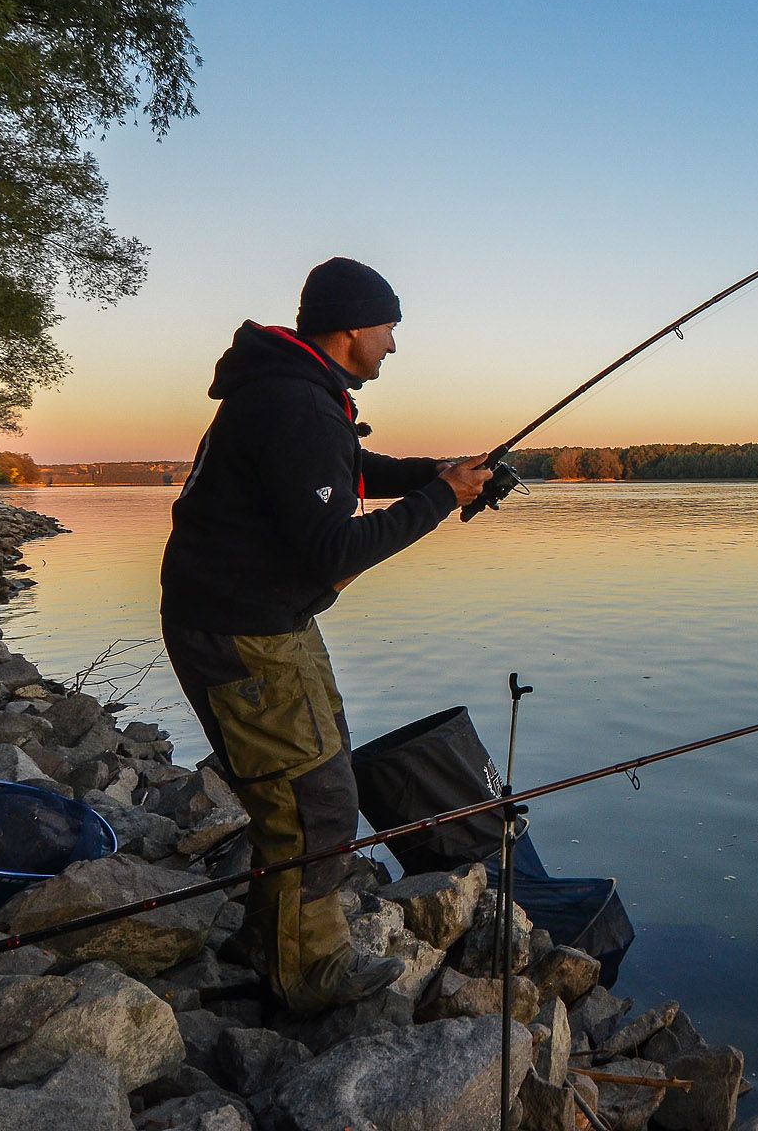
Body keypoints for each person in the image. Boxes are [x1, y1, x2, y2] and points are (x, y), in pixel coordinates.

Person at [159, 256, 492, 1013]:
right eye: (389, 328)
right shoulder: (297, 404)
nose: (394, 346)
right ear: (351, 328)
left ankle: (265, 941)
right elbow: (333, 549)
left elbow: (346, 467)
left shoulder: (295, 389)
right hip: (243, 631)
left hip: (254, 619)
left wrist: (432, 473)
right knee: (315, 806)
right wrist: (443, 497)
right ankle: (308, 975)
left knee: (319, 771)